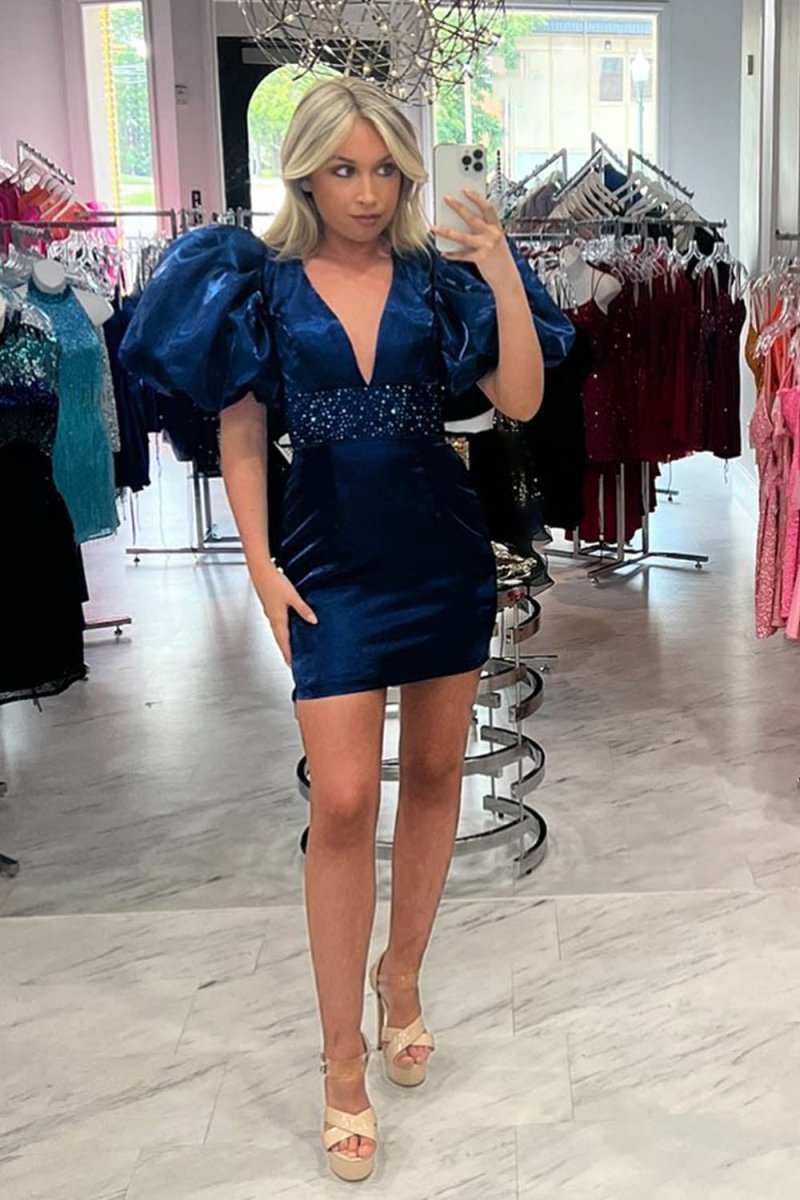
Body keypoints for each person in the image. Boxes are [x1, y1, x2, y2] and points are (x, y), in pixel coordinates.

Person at [120, 77, 573, 1182]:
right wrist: (261, 569)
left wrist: (500, 270)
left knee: (436, 776)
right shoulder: (256, 286)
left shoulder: (437, 280)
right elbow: (239, 435)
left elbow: (519, 401)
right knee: (341, 799)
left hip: (441, 553)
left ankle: (401, 976)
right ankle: (337, 1059)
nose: (366, 193)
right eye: (342, 170)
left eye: (383, 171)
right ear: (304, 175)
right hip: (326, 563)